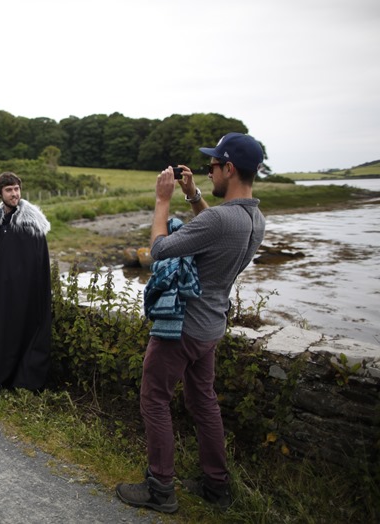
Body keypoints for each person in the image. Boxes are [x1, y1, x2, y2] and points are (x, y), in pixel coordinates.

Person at [116, 132, 267, 514]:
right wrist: (194, 195)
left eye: (213, 165)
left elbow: (160, 249)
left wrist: (162, 201)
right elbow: (215, 227)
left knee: (154, 399)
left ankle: (160, 488)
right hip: (211, 327)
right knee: (204, 403)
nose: (209, 170)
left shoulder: (220, 219)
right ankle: (217, 485)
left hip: (180, 329)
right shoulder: (253, 218)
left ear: (229, 168)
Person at [0, 172, 52, 400]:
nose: (14, 194)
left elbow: (37, 265)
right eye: (9, 190)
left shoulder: (31, 224)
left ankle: (22, 381)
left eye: (17, 189)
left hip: (23, 296)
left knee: (23, 335)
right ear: (0, 194)